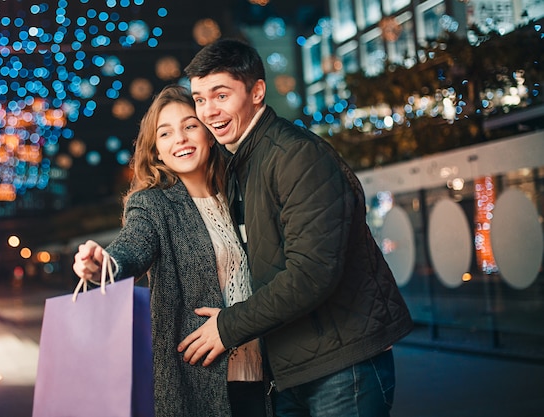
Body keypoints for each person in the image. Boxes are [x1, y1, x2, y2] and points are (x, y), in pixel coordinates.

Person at [177, 39, 414, 417]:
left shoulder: (296, 156)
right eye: (200, 99)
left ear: (257, 91)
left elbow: (312, 273)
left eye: (220, 95)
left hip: (342, 366)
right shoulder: (243, 161)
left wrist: (227, 328)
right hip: (294, 368)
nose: (209, 111)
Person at [72, 85, 270, 417]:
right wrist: (103, 264)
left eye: (190, 126)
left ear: (209, 134)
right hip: (199, 378)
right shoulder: (152, 204)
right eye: (166, 133)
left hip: (263, 372)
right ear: (157, 152)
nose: (180, 138)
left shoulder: (240, 192)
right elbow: (134, 246)